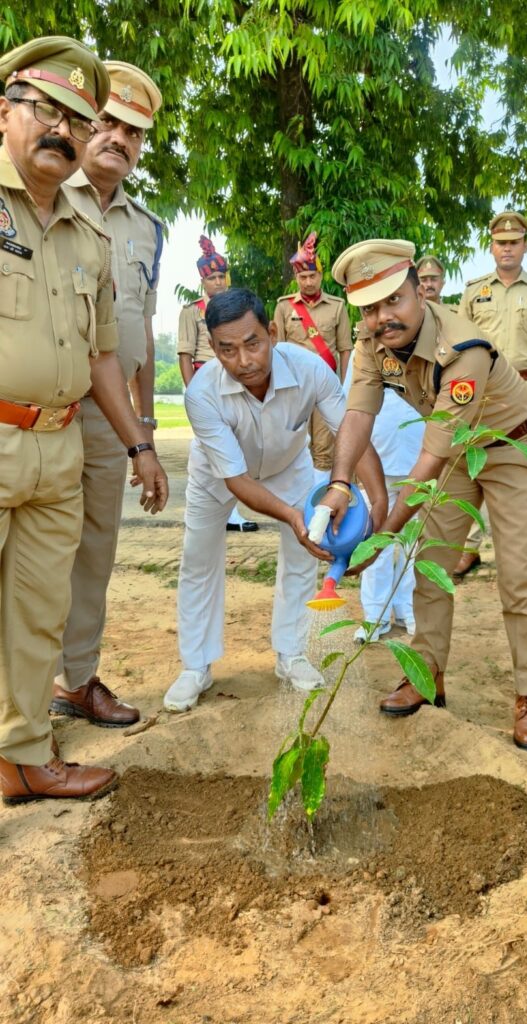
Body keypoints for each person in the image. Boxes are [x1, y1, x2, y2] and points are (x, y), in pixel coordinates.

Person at [0, 36, 167, 805]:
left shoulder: (102, 233)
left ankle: (28, 750)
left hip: (65, 438)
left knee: (42, 606)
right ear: (6, 111)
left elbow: (111, 351)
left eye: (75, 114)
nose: (64, 130)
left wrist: (140, 439)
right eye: (49, 111)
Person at [324, 239, 527, 752]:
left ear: (419, 294)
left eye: (393, 301)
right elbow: (357, 418)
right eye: (370, 308)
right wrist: (340, 484)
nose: (383, 317)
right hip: (452, 452)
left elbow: (429, 458)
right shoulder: (369, 346)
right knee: (430, 565)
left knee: (517, 576)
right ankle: (426, 677)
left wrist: (382, 535)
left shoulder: (464, 349)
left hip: (507, 445)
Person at [162, 288, 384, 712]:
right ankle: (196, 666)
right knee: (198, 559)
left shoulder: (311, 370)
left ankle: (292, 654)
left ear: (273, 332)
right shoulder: (201, 394)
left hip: (288, 468)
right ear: (212, 347)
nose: (244, 361)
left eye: (253, 344)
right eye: (227, 350)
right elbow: (237, 480)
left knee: (302, 557)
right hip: (219, 476)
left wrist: (378, 503)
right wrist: (291, 516)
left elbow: (353, 434)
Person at [50, 60, 164, 729]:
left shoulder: (145, 227)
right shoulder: (35, 195)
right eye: (109, 123)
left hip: (108, 412)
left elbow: (138, 326)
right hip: (38, 402)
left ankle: (79, 678)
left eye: (134, 132)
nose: (119, 139)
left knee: (94, 547)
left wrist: (142, 427)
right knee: (30, 549)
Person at [457, 211, 527, 581]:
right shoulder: (474, 291)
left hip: (526, 391)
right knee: (471, 470)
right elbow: (458, 346)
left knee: (526, 471)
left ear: (525, 245)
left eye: (514, 242)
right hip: (482, 394)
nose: (507, 248)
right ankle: (466, 549)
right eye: (501, 242)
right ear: (491, 246)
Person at [342, 340, 424, 643]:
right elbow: (348, 406)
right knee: (376, 539)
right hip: (377, 456)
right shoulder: (365, 348)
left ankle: (409, 610)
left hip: (422, 456)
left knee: (414, 543)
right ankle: (375, 616)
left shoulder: (436, 343)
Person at [178, 236, 257, 531]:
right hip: (205, 383)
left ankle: (232, 511)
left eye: (221, 276)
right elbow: (185, 354)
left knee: (235, 445)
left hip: (235, 380)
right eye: (211, 277)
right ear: (203, 281)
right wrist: (192, 393)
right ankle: (203, 509)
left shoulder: (238, 307)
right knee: (206, 448)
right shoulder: (192, 311)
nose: (218, 282)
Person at [273, 232, 352, 483]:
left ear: (321, 275)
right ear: (296, 277)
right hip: (293, 387)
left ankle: (318, 503)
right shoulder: (284, 307)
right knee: (293, 443)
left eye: (312, 275)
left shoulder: (337, 306)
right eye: (302, 276)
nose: (308, 281)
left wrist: (344, 387)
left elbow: (345, 350)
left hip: (326, 388)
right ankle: (295, 496)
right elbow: (275, 349)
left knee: (324, 448)